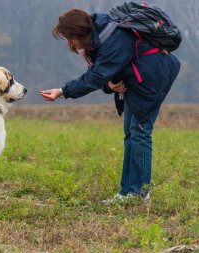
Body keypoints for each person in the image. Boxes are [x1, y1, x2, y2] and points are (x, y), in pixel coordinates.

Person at [39, 8, 180, 204]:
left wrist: (63, 91)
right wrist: (109, 84)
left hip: (151, 78)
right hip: (138, 78)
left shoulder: (113, 37)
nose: (69, 42)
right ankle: (126, 192)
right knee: (132, 133)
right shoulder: (100, 37)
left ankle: (139, 193)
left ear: (80, 32)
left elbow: (96, 76)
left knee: (140, 132)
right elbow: (104, 73)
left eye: (70, 37)